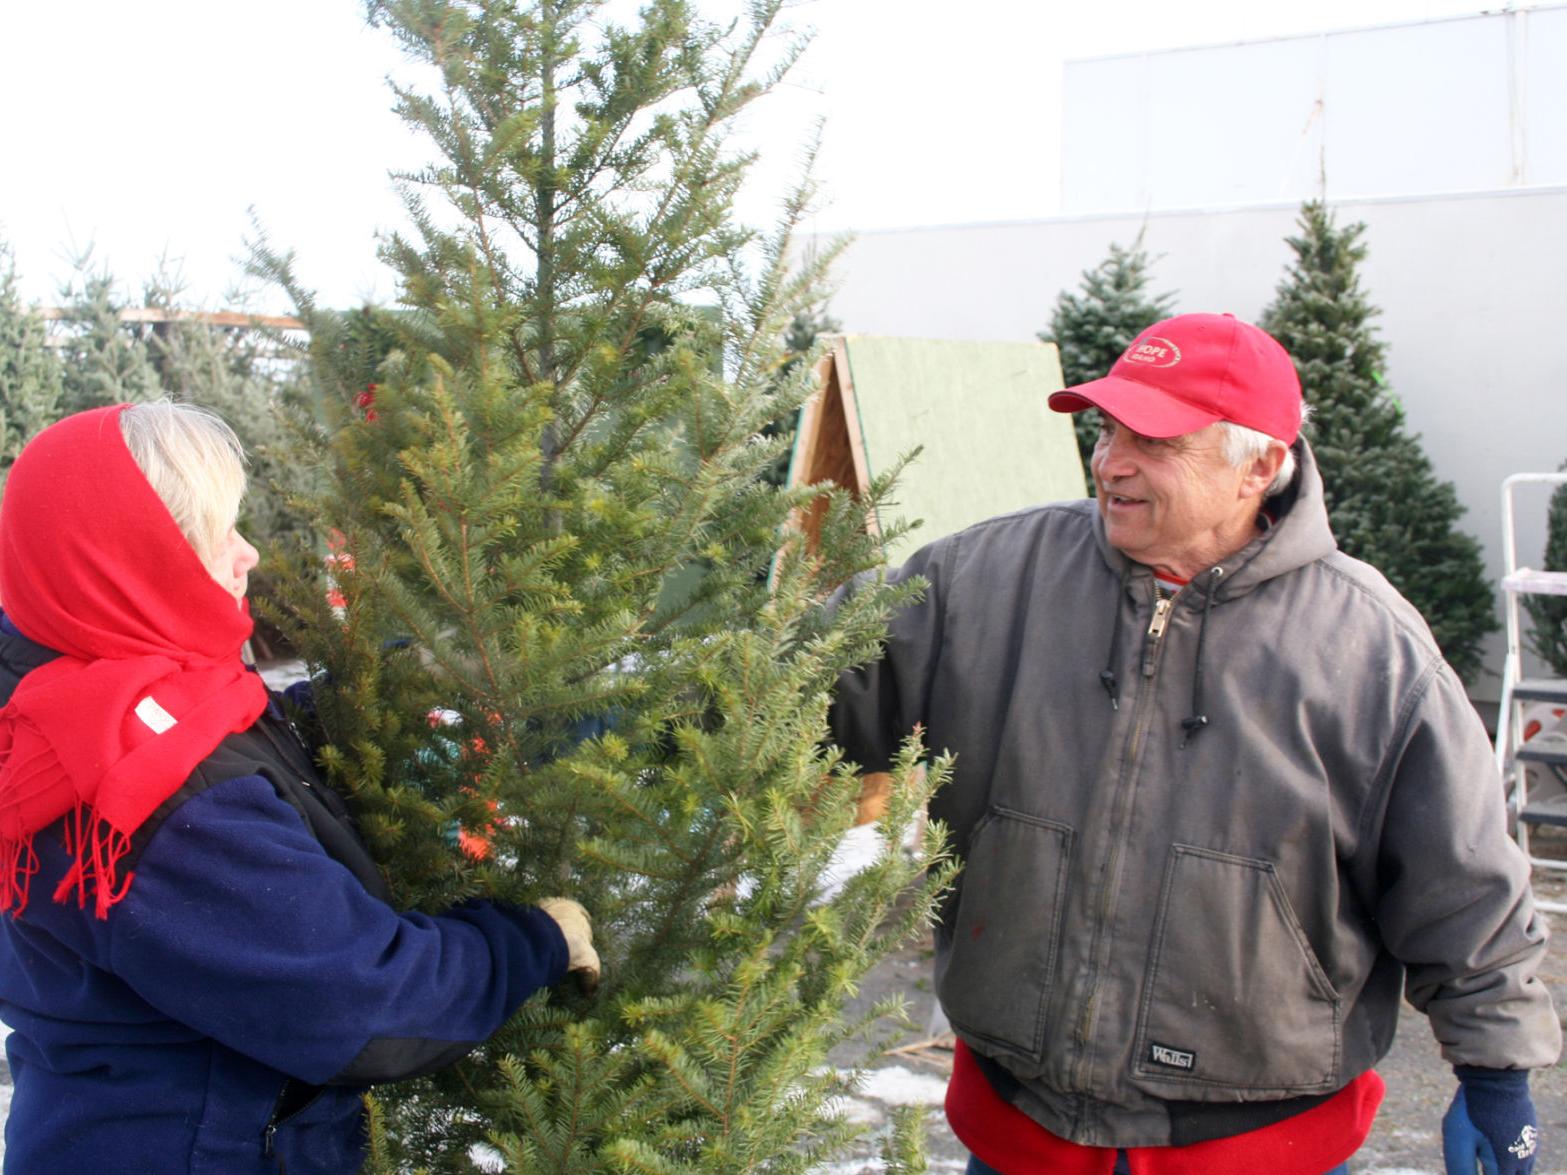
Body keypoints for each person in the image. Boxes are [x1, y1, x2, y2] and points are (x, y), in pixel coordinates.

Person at [829, 313, 1559, 1174]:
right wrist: (659, 707)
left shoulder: (1368, 647)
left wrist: (1495, 1075)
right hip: (1020, 1128)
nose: (1110, 462)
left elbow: (1462, 881)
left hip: (1259, 1142)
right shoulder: (981, 579)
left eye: (1155, 439)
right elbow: (798, 691)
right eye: (1106, 430)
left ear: (1260, 465)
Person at [0, 402, 601, 1174]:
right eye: (217, 535)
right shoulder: (144, 789)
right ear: (134, 559)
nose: (247, 553)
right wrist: (536, 940)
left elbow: (232, 736)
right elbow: (359, 1004)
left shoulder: (81, 688)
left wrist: (365, 691)